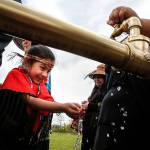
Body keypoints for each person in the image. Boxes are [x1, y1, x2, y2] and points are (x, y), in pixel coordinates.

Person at [0, 44, 81, 150]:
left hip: (24, 138)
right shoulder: (16, 74)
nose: (45, 75)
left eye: (48, 71)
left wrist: (69, 110)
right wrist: (63, 107)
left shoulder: (40, 85)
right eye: (42, 68)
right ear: (27, 62)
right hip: (5, 134)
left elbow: (50, 103)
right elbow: (31, 101)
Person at [93, 6, 150, 150]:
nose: (98, 79)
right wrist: (134, 22)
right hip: (109, 120)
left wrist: (135, 23)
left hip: (137, 119)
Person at [81, 64, 106, 150]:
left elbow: (104, 106)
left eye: (100, 77)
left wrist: (90, 105)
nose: (97, 79)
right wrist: (87, 103)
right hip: (89, 126)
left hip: (98, 127)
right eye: (95, 77)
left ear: (106, 78)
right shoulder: (95, 91)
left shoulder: (108, 92)